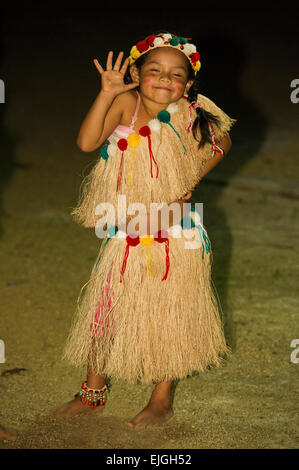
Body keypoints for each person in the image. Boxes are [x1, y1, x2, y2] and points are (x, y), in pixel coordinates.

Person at [52, 32, 235, 429]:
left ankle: (161, 399)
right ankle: (92, 395)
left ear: (188, 84)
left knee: (169, 317)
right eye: (155, 70)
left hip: (177, 238)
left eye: (176, 74)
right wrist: (106, 93)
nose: (165, 80)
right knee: (105, 317)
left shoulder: (192, 112)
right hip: (127, 237)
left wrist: (192, 178)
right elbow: (87, 142)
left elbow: (223, 140)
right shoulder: (124, 105)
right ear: (136, 73)